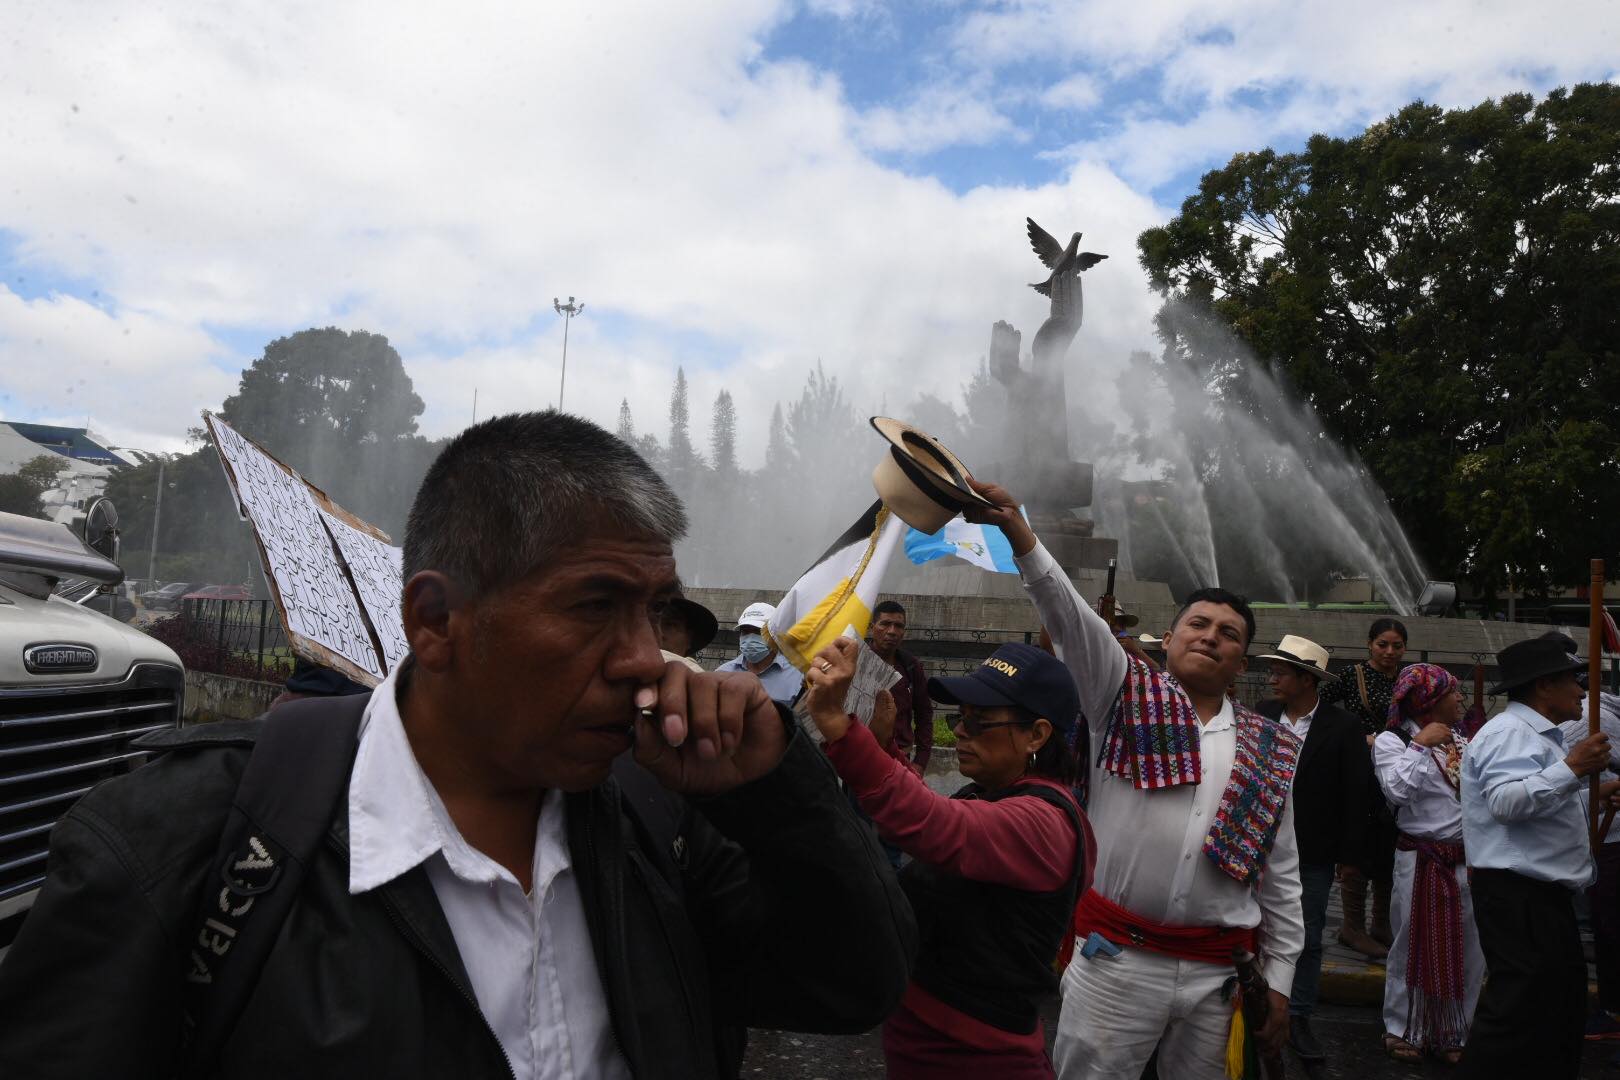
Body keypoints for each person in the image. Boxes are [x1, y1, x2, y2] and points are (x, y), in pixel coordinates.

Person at [0, 411, 916, 1079]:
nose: (647, 658)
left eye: (655, 612)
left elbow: (848, 989)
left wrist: (775, 791)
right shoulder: (179, 849)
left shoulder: (661, 817)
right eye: (596, 606)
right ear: (435, 622)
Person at [964, 478, 1303, 1080]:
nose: (1211, 637)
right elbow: (1067, 617)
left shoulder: (1273, 746)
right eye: (1198, 624)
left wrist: (1278, 981)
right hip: (1114, 962)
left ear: (1242, 664)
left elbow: (1281, 873)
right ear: (1168, 640)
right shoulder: (1118, 693)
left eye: (1229, 635)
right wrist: (1020, 533)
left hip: (1217, 975)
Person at [806, 636, 1091, 1079]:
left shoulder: (1043, 823)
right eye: (960, 718)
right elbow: (935, 807)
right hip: (931, 1041)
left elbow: (939, 825)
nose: (960, 730)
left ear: (1037, 734)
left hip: (980, 1057)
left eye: (980, 723)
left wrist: (838, 727)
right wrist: (883, 749)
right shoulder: (994, 794)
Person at [1459, 633, 1620, 1078]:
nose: (1582, 691)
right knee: (1515, 1013)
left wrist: (1597, 794)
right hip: (1517, 895)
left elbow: (1544, 807)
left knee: (1557, 1009)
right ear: (1543, 686)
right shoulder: (1509, 733)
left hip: (1540, 897)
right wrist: (1572, 769)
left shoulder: (1539, 737)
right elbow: (1507, 803)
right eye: (1574, 679)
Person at [1255, 634, 1370, 1065]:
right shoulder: (1263, 714)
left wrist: (1350, 857)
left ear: (1307, 680)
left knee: (1305, 933)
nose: (1272, 679)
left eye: (1280, 672)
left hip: (1312, 851)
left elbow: (1356, 793)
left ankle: (1298, 1015)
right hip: (1255, 843)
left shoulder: (1342, 727)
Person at [1374, 663, 1484, 1065]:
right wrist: (1420, 745)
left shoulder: (1462, 742)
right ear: (1429, 700)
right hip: (1420, 859)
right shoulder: (1393, 742)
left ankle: (1454, 1029)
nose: (1461, 700)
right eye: (1453, 693)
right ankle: (1405, 1028)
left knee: (1468, 946)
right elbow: (1398, 792)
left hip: (1465, 860)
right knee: (1410, 944)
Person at [1319, 616, 1408, 958]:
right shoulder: (1353, 676)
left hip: (1397, 769)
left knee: (1390, 841)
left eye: (1396, 646)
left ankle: (1381, 923)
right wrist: (1356, 738)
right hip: (1361, 770)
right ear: (1369, 644)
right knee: (1358, 839)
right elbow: (1318, 709)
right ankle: (1351, 927)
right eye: (1382, 644)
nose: (1389, 652)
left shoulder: (1407, 679)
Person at [1560, 690, 1620, 1054]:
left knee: (1610, 926)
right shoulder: (1596, 711)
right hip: (1602, 829)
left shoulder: (1585, 717)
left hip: (1610, 837)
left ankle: (1613, 1012)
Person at [868, 599, 934, 775]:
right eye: (885, 624)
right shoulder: (858, 662)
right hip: (863, 755)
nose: (891, 631)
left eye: (898, 626)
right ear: (872, 627)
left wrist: (920, 761)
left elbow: (924, 714)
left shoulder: (911, 666)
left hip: (901, 759)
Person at [716, 600, 804, 704]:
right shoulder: (722, 674)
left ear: (773, 634)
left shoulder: (797, 677)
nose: (750, 638)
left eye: (758, 631)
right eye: (745, 631)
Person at [656, 591, 718, 663]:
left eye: (670, 625)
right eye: (650, 625)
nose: (659, 634)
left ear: (689, 638)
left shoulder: (695, 672)